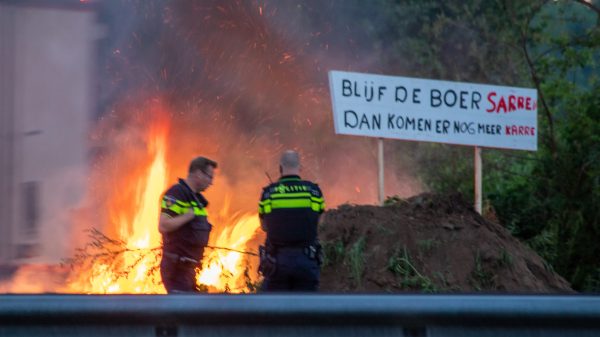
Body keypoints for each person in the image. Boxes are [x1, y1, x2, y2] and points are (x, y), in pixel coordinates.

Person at [258, 150, 326, 291]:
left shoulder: (269, 193)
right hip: (306, 260)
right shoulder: (313, 191)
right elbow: (320, 222)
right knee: (306, 308)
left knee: (275, 308)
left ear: (280, 168)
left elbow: (264, 226)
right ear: (300, 167)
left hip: (277, 261)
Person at [158, 156, 217, 293]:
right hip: (177, 269)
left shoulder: (196, 199)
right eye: (209, 177)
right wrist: (187, 216)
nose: (211, 182)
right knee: (182, 312)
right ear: (198, 173)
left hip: (188, 271)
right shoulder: (177, 193)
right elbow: (163, 225)